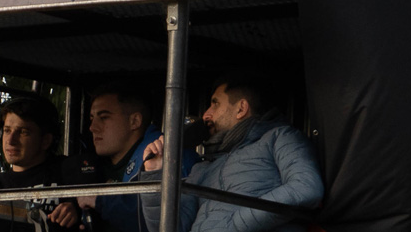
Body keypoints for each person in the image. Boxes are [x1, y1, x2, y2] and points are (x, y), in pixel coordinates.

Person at [137, 80, 322, 232]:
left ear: (241, 109)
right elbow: (171, 228)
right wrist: (156, 174)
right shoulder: (202, 168)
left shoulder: (279, 137)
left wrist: (230, 226)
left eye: (215, 103)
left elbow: (306, 188)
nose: (206, 114)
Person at [79, 83, 195, 232]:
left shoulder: (169, 157)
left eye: (104, 117)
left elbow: (164, 221)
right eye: (92, 118)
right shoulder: (92, 167)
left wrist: (99, 201)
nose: (92, 127)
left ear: (135, 121)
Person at [0, 94, 84, 229]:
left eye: (23, 132)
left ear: (46, 140)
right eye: (7, 131)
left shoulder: (70, 170)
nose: (10, 141)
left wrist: (78, 209)